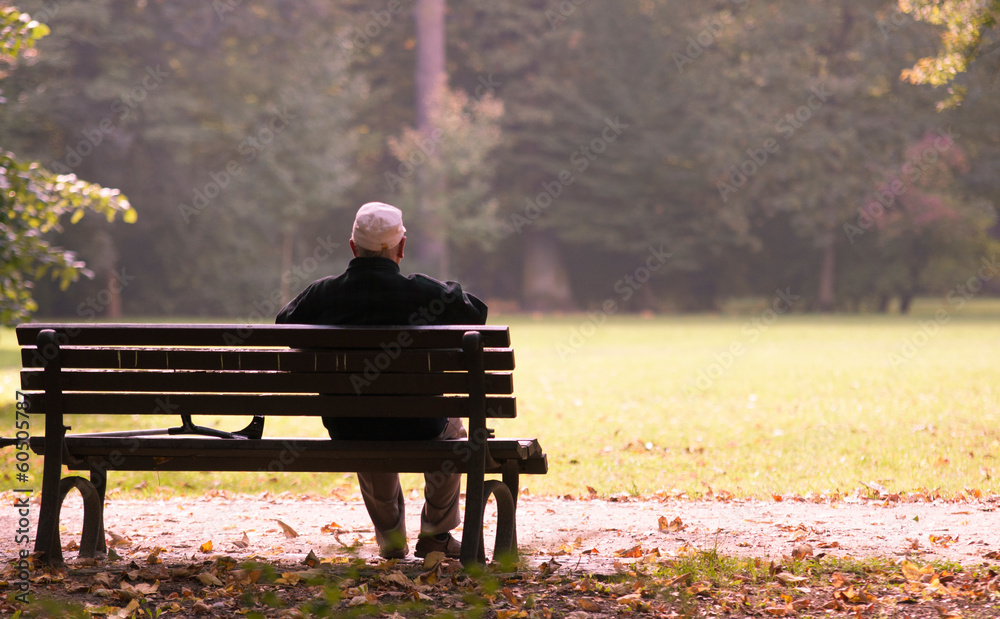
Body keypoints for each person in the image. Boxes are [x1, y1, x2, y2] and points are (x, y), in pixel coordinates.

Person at [275, 202, 488, 559]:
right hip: (422, 424)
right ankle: (436, 534)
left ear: (352, 247)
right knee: (452, 429)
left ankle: (390, 537)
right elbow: (475, 313)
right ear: (401, 249)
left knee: (367, 422)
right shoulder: (423, 293)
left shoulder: (323, 294)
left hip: (351, 426)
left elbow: (285, 325)